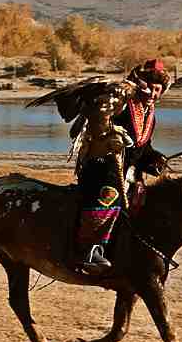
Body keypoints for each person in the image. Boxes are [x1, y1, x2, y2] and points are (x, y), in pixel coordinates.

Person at [30, 58, 172, 276]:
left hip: (126, 172)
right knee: (109, 196)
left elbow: (142, 148)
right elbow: (97, 120)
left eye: (158, 90)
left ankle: (125, 250)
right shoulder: (122, 101)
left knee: (145, 201)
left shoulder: (149, 114)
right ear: (141, 84)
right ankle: (89, 251)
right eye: (151, 88)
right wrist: (110, 135)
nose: (153, 94)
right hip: (100, 166)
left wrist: (154, 159)